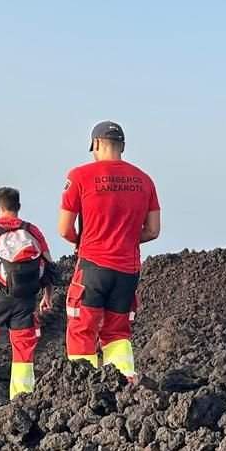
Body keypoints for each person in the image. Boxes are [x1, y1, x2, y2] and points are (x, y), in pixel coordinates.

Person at [59, 121, 161, 380]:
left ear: (95, 144)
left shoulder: (79, 176)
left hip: (93, 267)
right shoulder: (145, 180)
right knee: (118, 332)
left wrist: (81, 241)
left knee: (82, 330)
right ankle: (124, 390)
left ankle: (81, 389)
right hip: (127, 272)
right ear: (123, 147)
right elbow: (152, 230)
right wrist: (125, 238)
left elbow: (64, 229)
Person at [0, 187, 55, 398]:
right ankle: (22, 396)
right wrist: (47, 297)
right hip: (26, 298)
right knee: (23, 346)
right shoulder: (32, 230)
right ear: (19, 207)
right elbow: (49, 266)